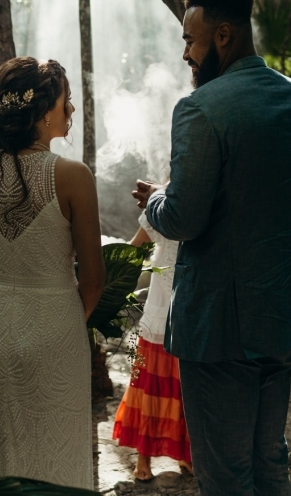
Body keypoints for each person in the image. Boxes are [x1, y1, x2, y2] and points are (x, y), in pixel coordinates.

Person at [133, 0, 291, 496]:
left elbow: (182, 219)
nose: (184, 54)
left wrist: (157, 198)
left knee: (224, 475)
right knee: (269, 461)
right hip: (282, 315)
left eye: (189, 40)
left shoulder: (201, 109)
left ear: (223, 36)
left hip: (221, 324)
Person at [0, 57, 106, 489]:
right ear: (42, 112)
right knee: (55, 459)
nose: (71, 110)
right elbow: (93, 279)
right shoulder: (74, 176)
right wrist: (60, 318)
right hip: (55, 329)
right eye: (66, 102)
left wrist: (4, 298)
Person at [112, 201, 193, 482]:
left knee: (187, 388)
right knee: (149, 386)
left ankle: (185, 452)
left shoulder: (207, 208)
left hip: (192, 318)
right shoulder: (160, 210)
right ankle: (143, 456)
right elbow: (132, 251)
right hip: (158, 318)